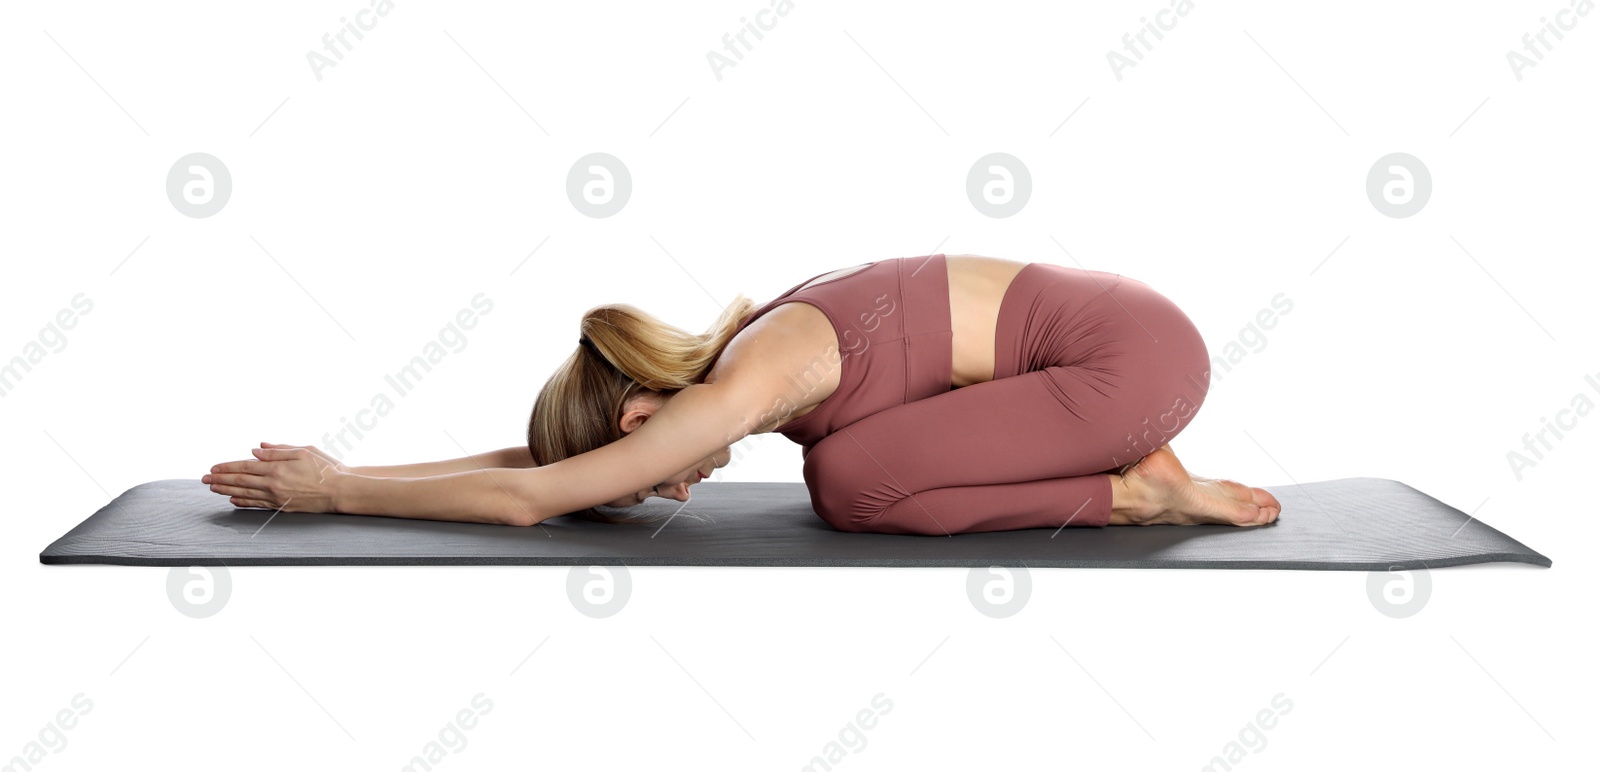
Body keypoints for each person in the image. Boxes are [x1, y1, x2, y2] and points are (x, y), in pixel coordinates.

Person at [201, 253, 1281, 533]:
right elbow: (544, 470)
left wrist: (337, 499)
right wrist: (347, 465)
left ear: (638, 418)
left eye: (636, 475)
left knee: (852, 480)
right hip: (1117, 351)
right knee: (852, 462)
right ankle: (1112, 452)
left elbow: (536, 498)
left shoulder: (743, 383)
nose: (664, 490)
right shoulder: (733, 368)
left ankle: (1139, 493)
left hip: (1130, 370)